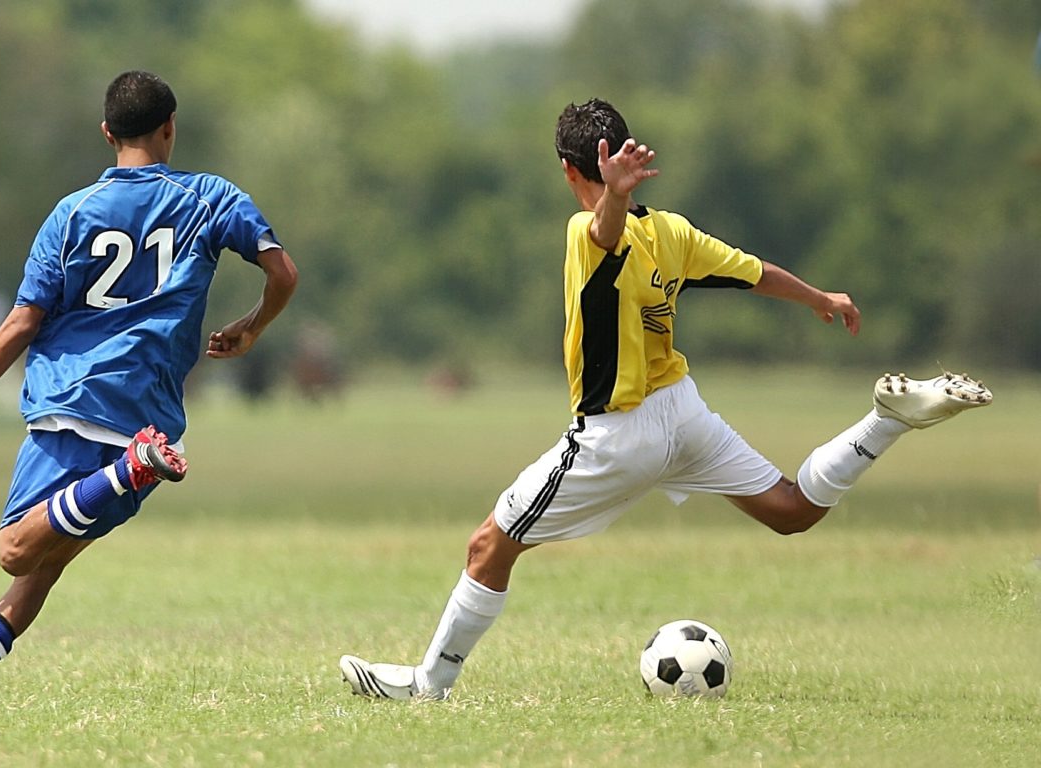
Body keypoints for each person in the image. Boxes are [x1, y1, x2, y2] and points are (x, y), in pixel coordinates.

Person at [339, 98, 991, 701]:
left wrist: (611, 199)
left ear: (570, 170)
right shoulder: (672, 232)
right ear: (621, 154)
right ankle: (884, 421)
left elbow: (602, 234)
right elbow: (751, 271)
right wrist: (819, 297)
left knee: (489, 546)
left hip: (617, 434)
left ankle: (431, 684)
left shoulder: (584, 231)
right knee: (792, 510)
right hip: (683, 411)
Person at [0, 70, 298, 700]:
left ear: (106, 133)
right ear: (171, 128)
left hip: (73, 400)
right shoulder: (211, 198)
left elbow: (23, 320)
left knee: (15, 550)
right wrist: (251, 328)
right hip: (149, 412)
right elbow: (283, 272)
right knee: (38, 574)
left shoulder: (71, 214)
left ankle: (126, 470)